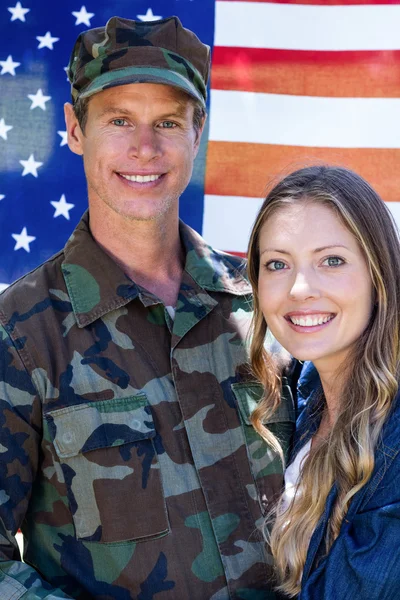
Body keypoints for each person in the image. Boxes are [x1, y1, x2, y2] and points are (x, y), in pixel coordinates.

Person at [0, 16, 295, 599]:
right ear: (74, 128)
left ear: (197, 131)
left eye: (167, 122)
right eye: (118, 120)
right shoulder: (21, 334)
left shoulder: (267, 303)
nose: (144, 148)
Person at [247, 165, 400, 599]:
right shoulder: (301, 392)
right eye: (277, 263)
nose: (299, 288)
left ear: (378, 272)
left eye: (331, 260)